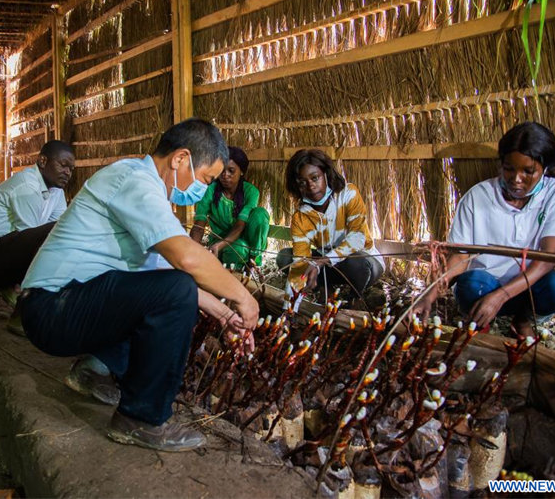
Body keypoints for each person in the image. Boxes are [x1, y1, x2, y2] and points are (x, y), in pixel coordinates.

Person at [19, 118, 259, 452]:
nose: (204, 188)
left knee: (177, 291)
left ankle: (93, 370)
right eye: (206, 178)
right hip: (51, 309)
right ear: (179, 159)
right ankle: (141, 420)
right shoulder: (134, 181)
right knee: (178, 290)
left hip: (60, 305)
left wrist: (224, 314)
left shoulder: (145, 191)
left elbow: (161, 271)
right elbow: (185, 261)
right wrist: (245, 299)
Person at [411, 122, 555, 337]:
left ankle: (523, 319)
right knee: (471, 283)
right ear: (502, 164)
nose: (516, 179)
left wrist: (500, 296)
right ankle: (481, 324)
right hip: (484, 289)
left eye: (528, 171)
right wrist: (428, 296)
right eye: (509, 168)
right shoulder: (477, 197)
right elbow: (460, 258)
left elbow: (547, 258)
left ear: (544, 169)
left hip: (529, 290)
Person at [0, 140, 74, 306]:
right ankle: (25, 307)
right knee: (54, 232)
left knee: (60, 232)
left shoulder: (57, 192)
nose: (67, 172)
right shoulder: (26, 186)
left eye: (71, 169)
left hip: (3, 255)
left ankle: (8, 286)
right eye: (63, 165)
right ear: (43, 161)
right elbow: (32, 243)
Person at [277, 149, 383, 305]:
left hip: (364, 262)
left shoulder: (348, 194)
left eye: (315, 178)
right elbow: (299, 263)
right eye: (302, 182)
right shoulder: (300, 217)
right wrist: (289, 309)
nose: (310, 186)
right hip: (325, 265)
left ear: (326, 174)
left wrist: (321, 262)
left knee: (356, 263)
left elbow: (357, 239)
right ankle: (324, 288)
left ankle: (353, 298)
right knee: (285, 258)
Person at [190, 146, 270, 268]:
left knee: (260, 214)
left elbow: (240, 225)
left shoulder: (250, 192)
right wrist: (192, 252)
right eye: (222, 170)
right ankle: (232, 270)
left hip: (245, 240)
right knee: (236, 249)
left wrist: (220, 245)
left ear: (241, 171)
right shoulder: (209, 191)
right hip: (219, 242)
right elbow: (198, 225)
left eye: (231, 171)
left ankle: (253, 260)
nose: (225, 175)